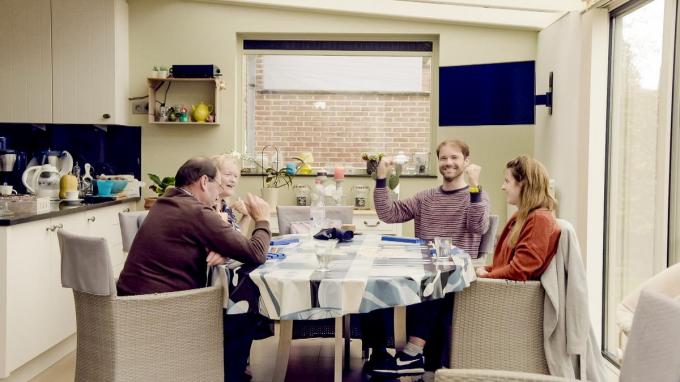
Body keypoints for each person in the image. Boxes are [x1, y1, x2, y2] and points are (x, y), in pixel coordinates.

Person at [116, 156, 272, 382]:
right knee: (243, 313)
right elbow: (256, 253)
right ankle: (227, 377)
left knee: (237, 311)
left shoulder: (166, 202)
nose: (218, 193)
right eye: (217, 186)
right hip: (163, 307)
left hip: (134, 303)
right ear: (203, 182)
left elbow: (184, 242)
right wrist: (263, 219)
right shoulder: (196, 211)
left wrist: (224, 249)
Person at [365, 139, 491, 378]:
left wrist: (475, 186)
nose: (449, 163)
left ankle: (413, 351)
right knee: (375, 279)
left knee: (438, 274)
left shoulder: (477, 195)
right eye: (443, 158)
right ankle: (381, 353)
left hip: (454, 276)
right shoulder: (426, 198)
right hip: (422, 271)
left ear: (466, 161)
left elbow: (477, 227)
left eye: (455, 157)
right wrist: (381, 179)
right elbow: (388, 214)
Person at [476, 155, 560, 281]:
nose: (502, 187)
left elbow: (519, 271)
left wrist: (487, 275)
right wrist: (487, 269)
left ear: (524, 184)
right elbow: (508, 265)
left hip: (510, 296)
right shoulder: (522, 216)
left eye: (507, 181)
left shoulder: (539, 220)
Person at [212, 154, 252, 233]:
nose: (233, 180)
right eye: (228, 174)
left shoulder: (225, 206)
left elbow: (238, 240)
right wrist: (220, 224)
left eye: (236, 176)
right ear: (213, 176)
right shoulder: (206, 206)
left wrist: (247, 216)